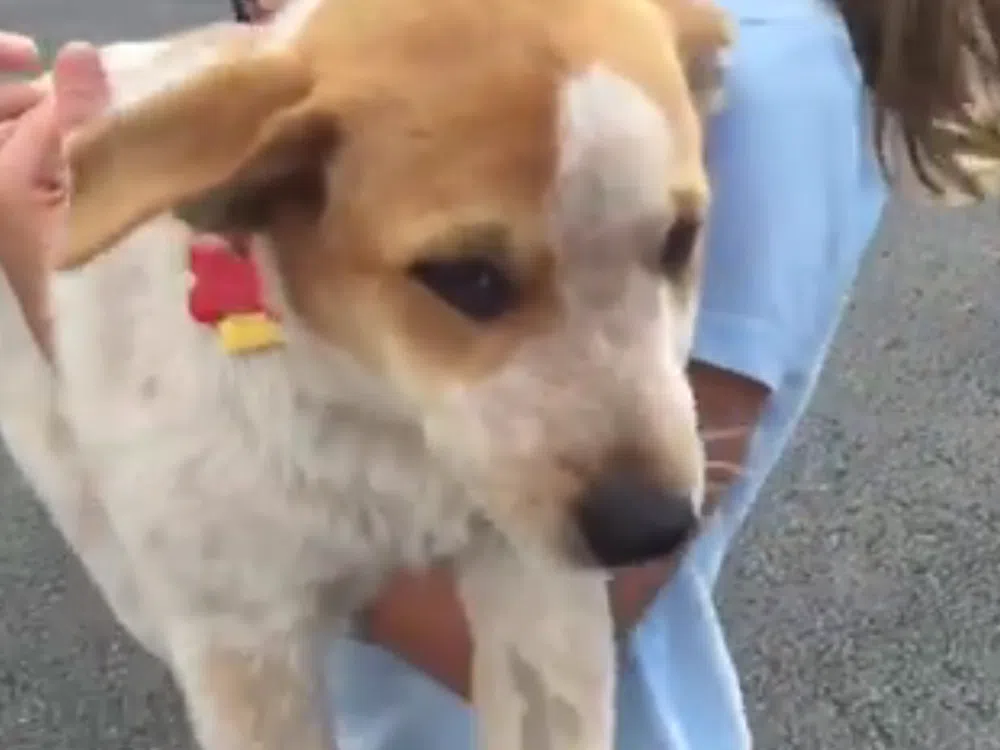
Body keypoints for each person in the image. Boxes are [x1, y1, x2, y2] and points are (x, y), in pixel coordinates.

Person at [0, 0, 995, 748]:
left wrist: (56, 293)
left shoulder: (762, 66)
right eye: (478, 281)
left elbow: (569, 589)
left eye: (672, 244)